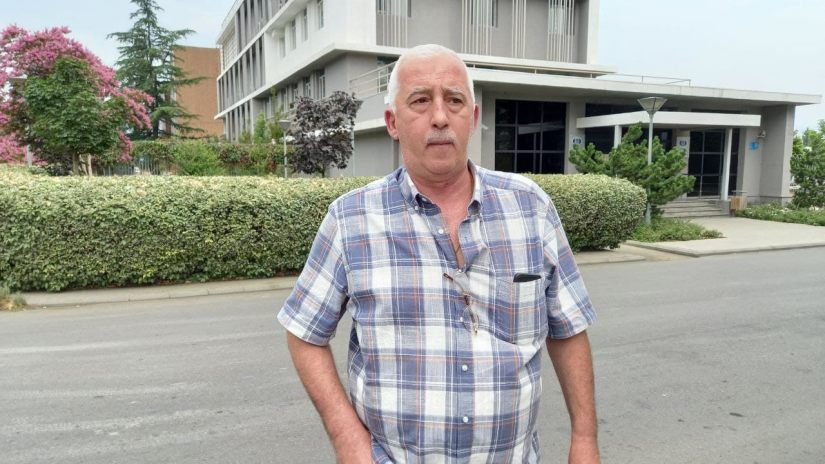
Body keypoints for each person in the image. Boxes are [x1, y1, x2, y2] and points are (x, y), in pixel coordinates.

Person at [278, 43, 599, 463]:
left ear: (473, 117)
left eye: (454, 100)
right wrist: (347, 438)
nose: (440, 117)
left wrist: (585, 438)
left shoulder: (530, 208)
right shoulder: (351, 219)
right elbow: (304, 334)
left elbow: (568, 329)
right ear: (392, 122)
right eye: (420, 101)